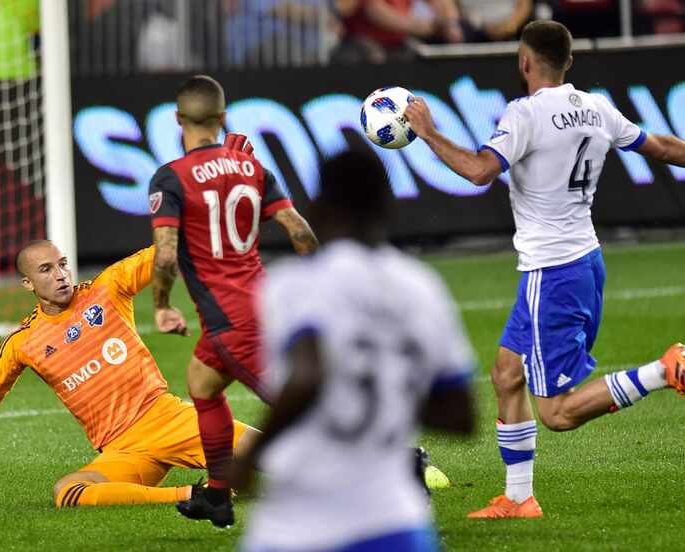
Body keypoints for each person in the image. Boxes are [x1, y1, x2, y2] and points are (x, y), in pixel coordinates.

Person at [403, 19, 685, 519]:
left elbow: (479, 171)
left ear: (524, 62)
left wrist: (427, 133)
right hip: (584, 261)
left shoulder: (525, 114)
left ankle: (665, 370)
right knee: (506, 374)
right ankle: (518, 498)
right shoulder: (595, 108)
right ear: (569, 62)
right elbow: (660, 147)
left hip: (551, 272)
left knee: (557, 412)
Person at [0, 240, 261, 508]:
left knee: (271, 450)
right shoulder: (22, 342)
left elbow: (160, 254)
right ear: (28, 283)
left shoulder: (107, 290)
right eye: (46, 269)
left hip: (166, 419)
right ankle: (194, 496)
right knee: (69, 491)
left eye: (62, 264)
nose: (60, 275)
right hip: (122, 450)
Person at [233, 150, 477, 552]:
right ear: (387, 205)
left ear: (318, 206)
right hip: (397, 522)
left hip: (300, 523)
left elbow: (309, 375)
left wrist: (251, 456)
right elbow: (461, 417)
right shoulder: (421, 286)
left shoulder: (294, 283)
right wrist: (387, 387)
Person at [148, 75, 319, 527]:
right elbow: (300, 232)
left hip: (231, 322)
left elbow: (165, 254)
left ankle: (398, 467)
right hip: (258, 304)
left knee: (302, 413)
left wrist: (162, 305)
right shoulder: (254, 169)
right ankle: (218, 496)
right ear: (224, 118)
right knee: (202, 385)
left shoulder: (171, 177)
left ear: (177, 118)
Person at [331, 0, 463, 64]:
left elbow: (443, 3)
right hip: (362, 41)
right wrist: (424, 27)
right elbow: (377, 13)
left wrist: (450, 23)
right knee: (374, 58)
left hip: (399, 41)